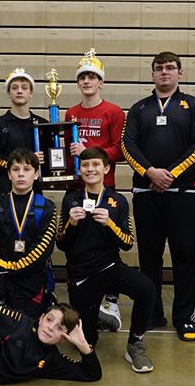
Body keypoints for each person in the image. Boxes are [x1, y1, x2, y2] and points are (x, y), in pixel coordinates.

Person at [121, 51, 195, 342]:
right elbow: (127, 145)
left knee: (184, 256)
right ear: (152, 74)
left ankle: (185, 318)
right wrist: (150, 173)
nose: (165, 72)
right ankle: (152, 313)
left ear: (180, 73)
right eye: (159, 68)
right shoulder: (138, 109)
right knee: (149, 258)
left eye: (170, 68)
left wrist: (170, 174)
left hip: (183, 193)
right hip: (146, 194)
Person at [58, 147, 156, 373]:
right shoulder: (71, 200)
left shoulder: (118, 201)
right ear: (79, 169)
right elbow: (61, 243)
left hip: (110, 267)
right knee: (88, 341)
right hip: (81, 275)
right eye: (85, 165)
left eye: (95, 165)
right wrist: (70, 224)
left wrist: (110, 224)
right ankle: (100, 315)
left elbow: (128, 242)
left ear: (106, 168)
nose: (90, 169)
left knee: (147, 289)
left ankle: (135, 344)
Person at [64, 49, 127, 333]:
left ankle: (110, 299)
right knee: (76, 239)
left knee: (107, 239)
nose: (87, 81)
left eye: (92, 77)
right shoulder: (70, 112)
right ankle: (83, 300)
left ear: (100, 82)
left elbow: (121, 150)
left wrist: (92, 154)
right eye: (82, 77)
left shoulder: (113, 112)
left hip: (105, 186)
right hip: (76, 187)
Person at [0, 149, 56, 318]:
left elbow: (43, 251)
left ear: (36, 174)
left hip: (31, 278)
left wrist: (7, 265)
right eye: (16, 169)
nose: (21, 174)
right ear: (9, 174)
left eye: (27, 169)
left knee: (25, 334)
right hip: (1, 274)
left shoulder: (48, 207)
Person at [0, 68, 48, 197]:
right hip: (5, 187)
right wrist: (25, 162)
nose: (19, 91)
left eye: (24, 88)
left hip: (34, 188)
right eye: (14, 88)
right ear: (8, 92)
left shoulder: (43, 124)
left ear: (31, 93)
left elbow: (49, 157)